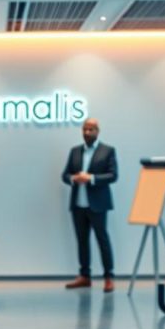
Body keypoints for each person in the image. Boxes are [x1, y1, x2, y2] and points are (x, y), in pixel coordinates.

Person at [62, 118, 118, 292]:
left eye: (91, 129)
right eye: (85, 129)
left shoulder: (108, 151)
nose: (87, 133)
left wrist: (91, 178)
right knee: (82, 241)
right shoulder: (75, 151)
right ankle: (84, 276)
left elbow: (113, 175)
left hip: (98, 205)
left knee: (102, 240)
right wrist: (73, 178)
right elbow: (65, 175)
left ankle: (109, 277)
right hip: (78, 204)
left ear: (97, 131)